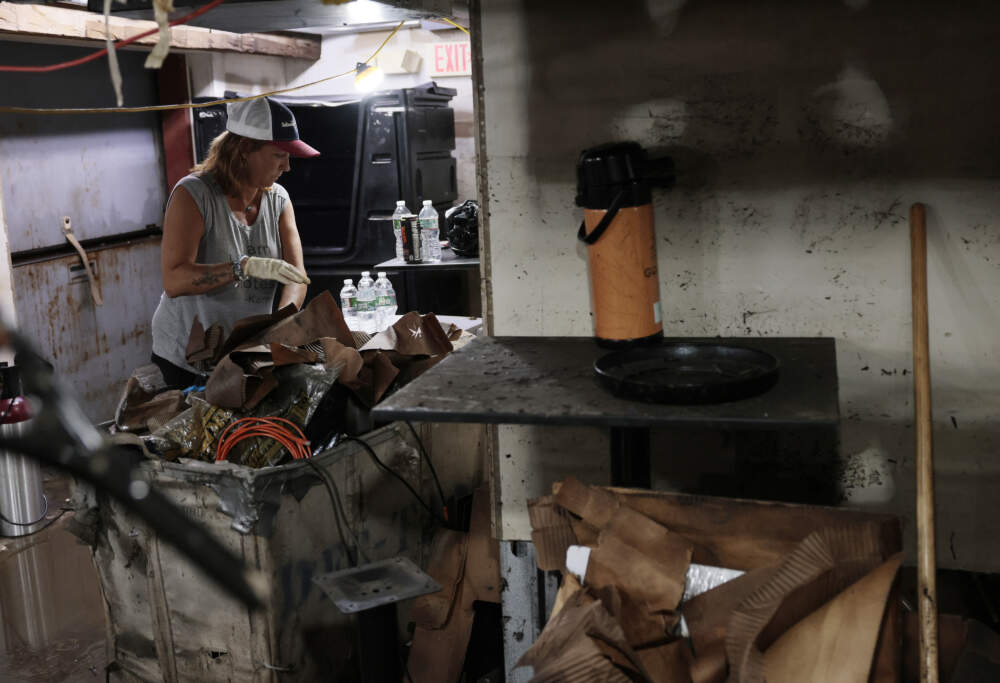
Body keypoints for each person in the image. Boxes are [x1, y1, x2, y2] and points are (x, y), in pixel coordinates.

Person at [150, 96, 319, 389]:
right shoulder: (194, 195)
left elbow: (297, 277)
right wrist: (243, 267)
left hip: (246, 352)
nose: (287, 167)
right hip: (190, 356)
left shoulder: (278, 199)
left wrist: (278, 326)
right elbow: (174, 280)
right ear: (244, 149)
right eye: (279, 155)